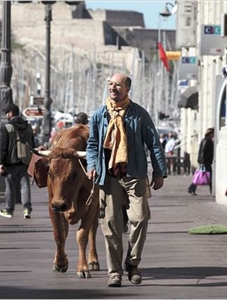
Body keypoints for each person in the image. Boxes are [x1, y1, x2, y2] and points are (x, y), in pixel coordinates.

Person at [86, 73, 167, 288]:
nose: (113, 88)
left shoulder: (139, 114)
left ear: (127, 89)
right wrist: (92, 166)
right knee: (111, 225)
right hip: (109, 176)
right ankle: (115, 272)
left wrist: (159, 172)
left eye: (118, 85)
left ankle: (132, 263)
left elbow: (154, 144)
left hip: (135, 174)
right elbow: (92, 144)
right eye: (110, 84)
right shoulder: (99, 115)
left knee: (140, 218)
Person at [0, 103, 34, 219]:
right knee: (25, 186)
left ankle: (9, 210)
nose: (6, 115)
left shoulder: (7, 127)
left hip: (10, 162)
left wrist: (1, 163)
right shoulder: (28, 127)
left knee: (10, 187)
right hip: (25, 161)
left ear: (11, 113)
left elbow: (4, 148)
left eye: (7, 113)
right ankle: (27, 209)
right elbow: (33, 145)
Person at [188, 127, 214, 196]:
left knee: (200, 175)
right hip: (205, 162)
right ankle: (212, 191)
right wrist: (202, 162)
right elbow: (202, 152)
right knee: (209, 176)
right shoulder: (207, 141)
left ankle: (192, 188)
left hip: (205, 161)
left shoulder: (207, 140)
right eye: (212, 134)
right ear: (210, 134)